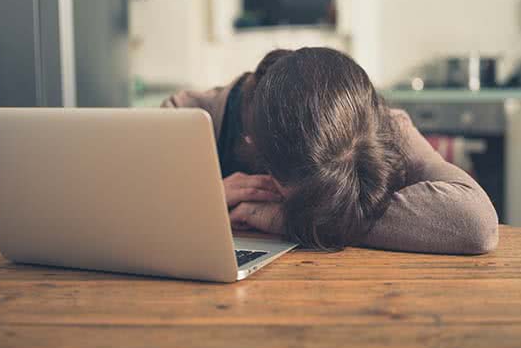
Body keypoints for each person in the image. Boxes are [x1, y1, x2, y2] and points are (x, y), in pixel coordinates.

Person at [161, 47, 499, 253]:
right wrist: (201, 199)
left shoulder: (382, 122)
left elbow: (475, 224)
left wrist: (293, 220)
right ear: (255, 151)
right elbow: (118, 211)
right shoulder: (181, 116)